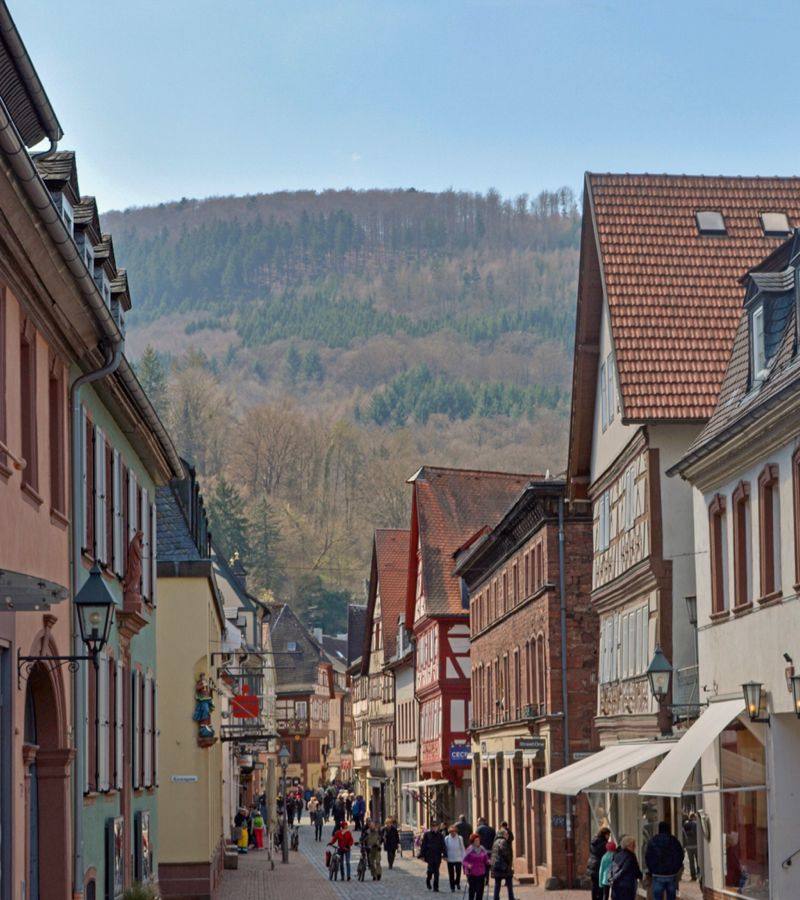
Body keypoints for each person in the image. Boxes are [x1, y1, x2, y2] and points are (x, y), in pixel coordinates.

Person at [645, 821, 685, 900]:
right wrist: (676, 869)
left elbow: (648, 857)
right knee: (671, 897)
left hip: (657, 874)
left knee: (657, 897)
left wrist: (651, 869)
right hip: (671, 874)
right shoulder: (674, 841)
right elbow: (680, 855)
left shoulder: (653, 841)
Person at [608, 836, 642, 900]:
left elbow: (611, 868)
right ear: (628, 846)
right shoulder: (631, 856)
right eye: (634, 845)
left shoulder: (616, 854)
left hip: (616, 886)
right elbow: (635, 870)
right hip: (627, 886)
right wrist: (641, 876)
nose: (635, 847)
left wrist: (612, 879)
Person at [420, 820, 447, 892]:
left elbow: (443, 845)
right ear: (431, 827)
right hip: (430, 855)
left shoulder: (440, 835)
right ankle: (428, 880)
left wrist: (445, 854)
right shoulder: (427, 834)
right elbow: (423, 845)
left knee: (436, 872)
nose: (435, 828)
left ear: (438, 827)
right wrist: (422, 855)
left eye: (436, 826)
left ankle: (436, 887)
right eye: (433, 826)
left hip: (437, 855)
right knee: (430, 870)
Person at [587, 826, 612, 900]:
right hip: (599, 866)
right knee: (600, 887)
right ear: (605, 834)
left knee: (594, 886)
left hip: (592, 865)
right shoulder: (604, 844)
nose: (609, 837)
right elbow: (605, 855)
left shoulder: (594, 841)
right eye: (608, 835)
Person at [463, 833, 490, 900]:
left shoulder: (482, 849)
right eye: (476, 841)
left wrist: (489, 861)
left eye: (478, 840)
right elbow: (464, 861)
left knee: (480, 891)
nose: (478, 842)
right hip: (472, 873)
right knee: (472, 890)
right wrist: (468, 865)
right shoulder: (469, 849)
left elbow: (486, 859)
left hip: (481, 873)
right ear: (472, 841)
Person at [490, 828, 515, 900]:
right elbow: (506, 854)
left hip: (496, 866)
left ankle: (496, 898)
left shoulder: (495, 841)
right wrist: (509, 863)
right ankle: (511, 898)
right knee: (509, 883)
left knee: (497, 884)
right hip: (503, 866)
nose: (508, 835)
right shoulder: (503, 841)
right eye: (506, 834)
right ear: (503, 834)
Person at [445, 824, 466, 892]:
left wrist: (464, 858)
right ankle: (452, 887)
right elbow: (445, 848)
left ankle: (457, 882)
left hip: (458, 858)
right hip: (450, 858)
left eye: (454, 831)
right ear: (449, 832)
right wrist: (445, 856)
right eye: (451, 831)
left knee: (458, 873)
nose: (452, 833)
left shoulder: (460, 838)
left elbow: (462, 848)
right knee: (451, 874)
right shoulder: (447, 838)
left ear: (456, 831)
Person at [476, 817, 496, 888]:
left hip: (481, 850)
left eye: (478, 821)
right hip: (490, 850)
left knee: (482, 865)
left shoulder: (478, 829)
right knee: (487, 866)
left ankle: (482, 880)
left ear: (481, 822)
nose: (477, 823)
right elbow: (495, 840)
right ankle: (487, 880)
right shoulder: (492, 829)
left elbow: (476, 840)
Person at [682, 812, 698, 881]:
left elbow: (684, 835)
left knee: (691, 862)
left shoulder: (685, 824)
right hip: (696, 845)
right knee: (698, 861)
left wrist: (684, 845)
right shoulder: (696, 824)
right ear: (694, 817)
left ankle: (693, 876)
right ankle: (699, 875)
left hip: (688, 846)